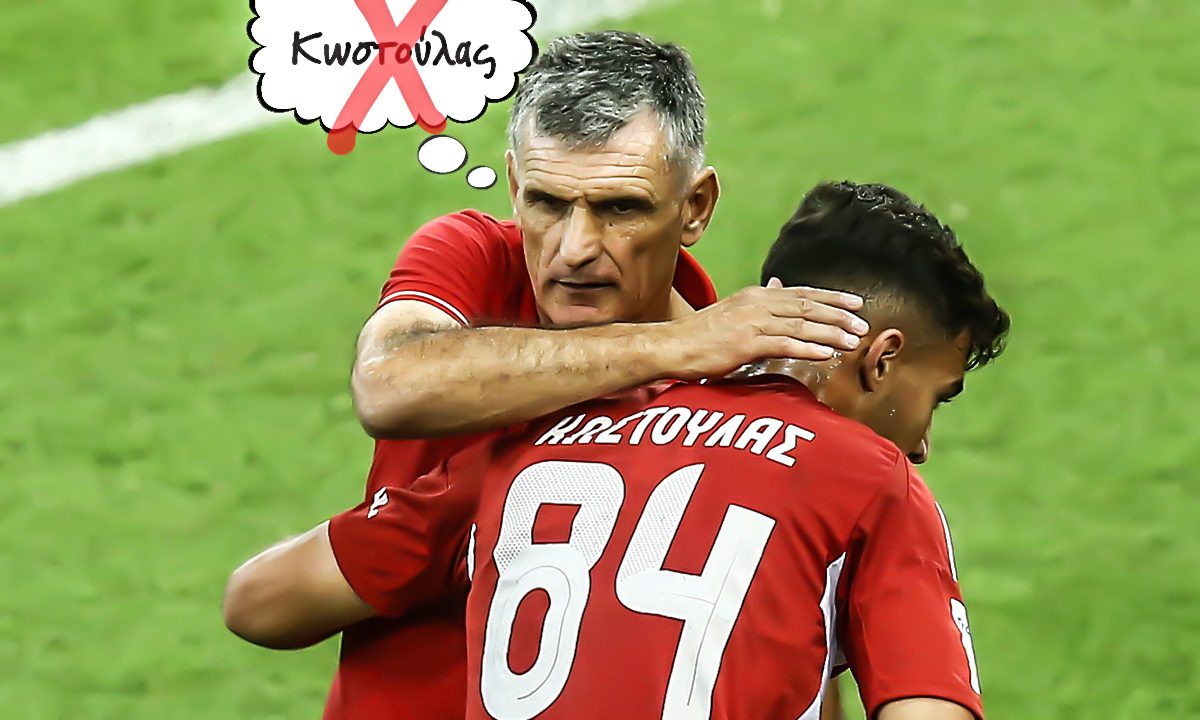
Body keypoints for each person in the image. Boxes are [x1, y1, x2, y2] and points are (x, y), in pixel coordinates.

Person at [225, 180, 1011, 720]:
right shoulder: (873, 480)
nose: (923, 444)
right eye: (937, 398)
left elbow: (259, 601)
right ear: (882, 359)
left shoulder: (536, 450)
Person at [334, 31, 867, 720]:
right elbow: (390, 384)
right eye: (546, 203)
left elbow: (795, 638)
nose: (575, 249)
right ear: (514, 186)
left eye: (620, 208)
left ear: (696, 207)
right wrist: (672, 346)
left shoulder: (747, 407)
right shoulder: (473, 259)